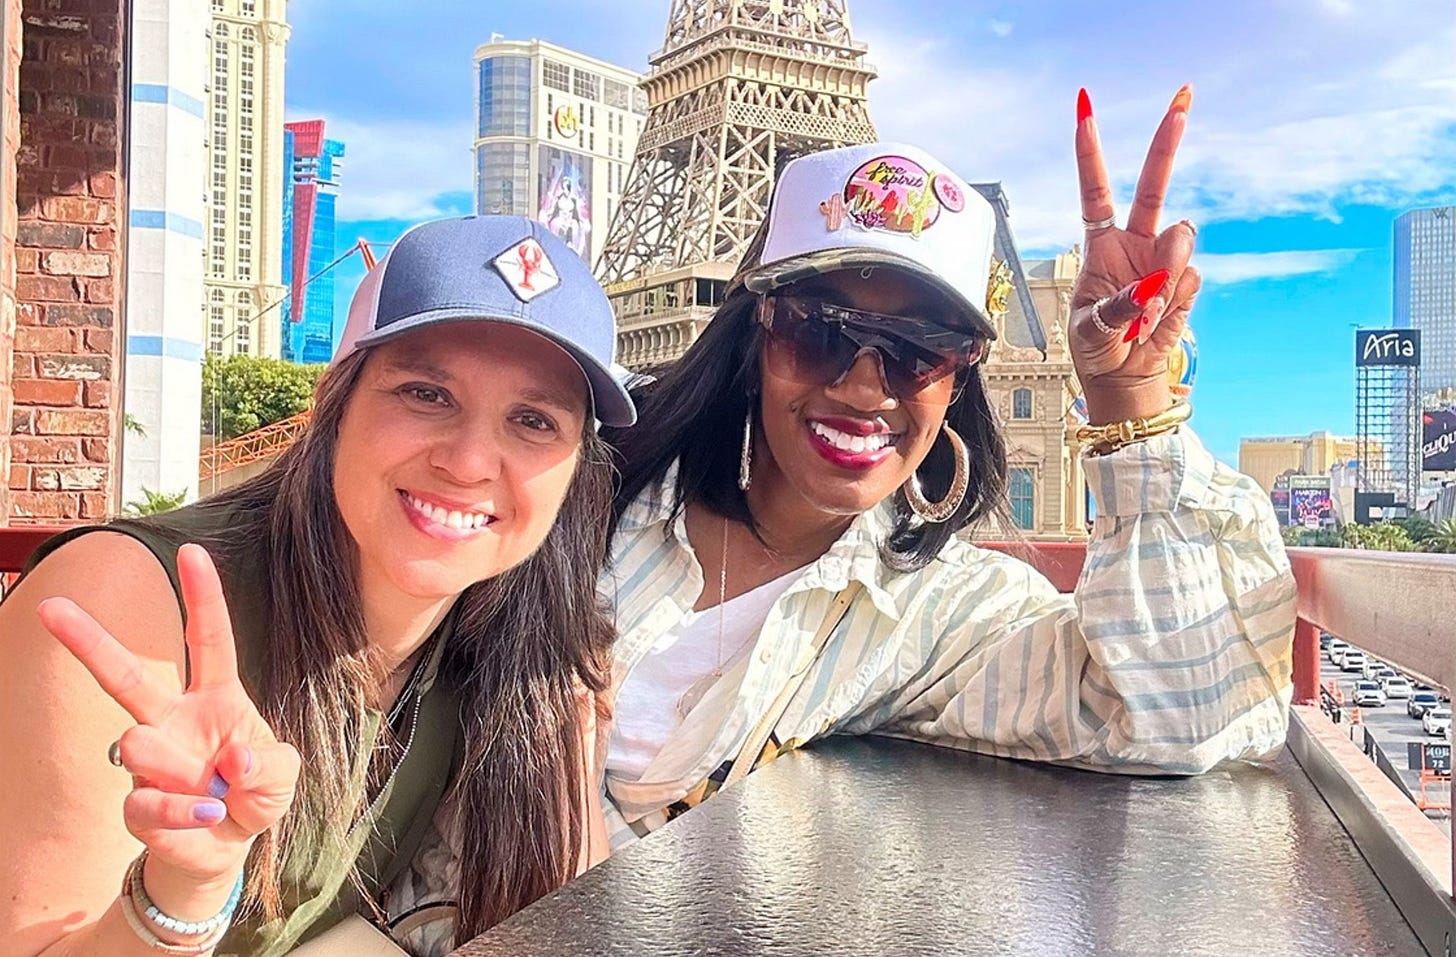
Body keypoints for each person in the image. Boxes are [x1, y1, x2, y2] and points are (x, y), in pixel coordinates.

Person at [597, 87, 1298, 843]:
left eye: (918, 350)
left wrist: (1128, 398)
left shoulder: (931, 611)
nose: (864, 386)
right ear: (757, 333)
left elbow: (1179, 712)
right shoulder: (591, 465)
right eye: (822, 332)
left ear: (959, 379)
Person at [0, 215, 635, 955]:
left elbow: (568, 923)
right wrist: (184, 888)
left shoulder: (515, 652)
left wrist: (572, 745)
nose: (468, 462)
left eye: (533, 420)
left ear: (573, 473)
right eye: (427, 394)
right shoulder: (126, 603)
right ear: (335, 403)